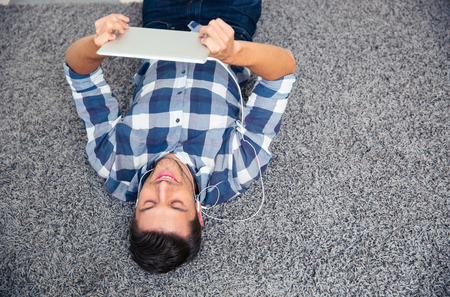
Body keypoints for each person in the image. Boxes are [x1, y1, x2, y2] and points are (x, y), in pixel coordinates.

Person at [64, 0, 296, 274]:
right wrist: (234, 51)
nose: (164, 186)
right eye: (176, 204)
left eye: (150, 203)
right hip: (229, 22)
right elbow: (283, 71)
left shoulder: (113, 161)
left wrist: (96, 44)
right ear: (198, 213)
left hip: (159, 25)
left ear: (135, 208)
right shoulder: (236, 169)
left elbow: (79, 74)